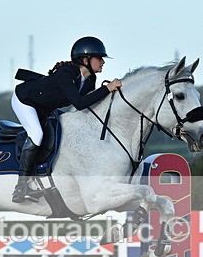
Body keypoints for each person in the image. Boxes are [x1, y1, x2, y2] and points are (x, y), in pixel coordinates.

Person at [10, 36, 123, 203]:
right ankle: (21, 187)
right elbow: (79, 103)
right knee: (37, 135)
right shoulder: (65, 74)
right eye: (99, 58)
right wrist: (107, 88)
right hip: (25, 100)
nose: (102, 62)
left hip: (45, 107)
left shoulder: (90, 79)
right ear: (86, 59)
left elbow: (90, 103)